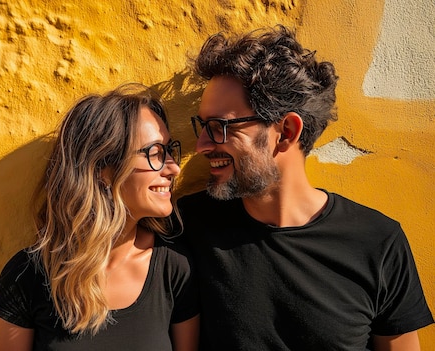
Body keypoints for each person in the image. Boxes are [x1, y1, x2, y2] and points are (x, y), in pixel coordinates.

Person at [177, 25, 433, 350]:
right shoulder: (190, 228)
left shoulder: (377, 243)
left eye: (219, 127)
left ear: (286, 131)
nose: (200, 145)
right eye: (203, 126)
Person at [0, 83, 200, 351]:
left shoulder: (174, 269)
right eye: (156, 153)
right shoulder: (27, 277)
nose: (174, 168)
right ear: (103, 168)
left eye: (169, 150)